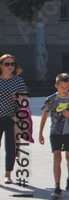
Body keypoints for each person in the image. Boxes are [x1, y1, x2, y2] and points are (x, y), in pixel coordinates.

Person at [38, 73, 69, 199]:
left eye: (66, 87)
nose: (64, 89)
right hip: (55, 132)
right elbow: (44, 115)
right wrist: (40, 133)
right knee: (56, 156)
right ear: (56, 86)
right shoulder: (51, 99)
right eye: (62, 87)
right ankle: (57, 186)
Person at [0, 54, 29, 185]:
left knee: (10, 146)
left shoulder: (18, 80)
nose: (10, 66)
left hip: (12, 117)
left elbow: (25, 96)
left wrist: (18, 96)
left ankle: (8, 174)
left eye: (12, 64)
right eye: (7, 64)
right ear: (1, 66)